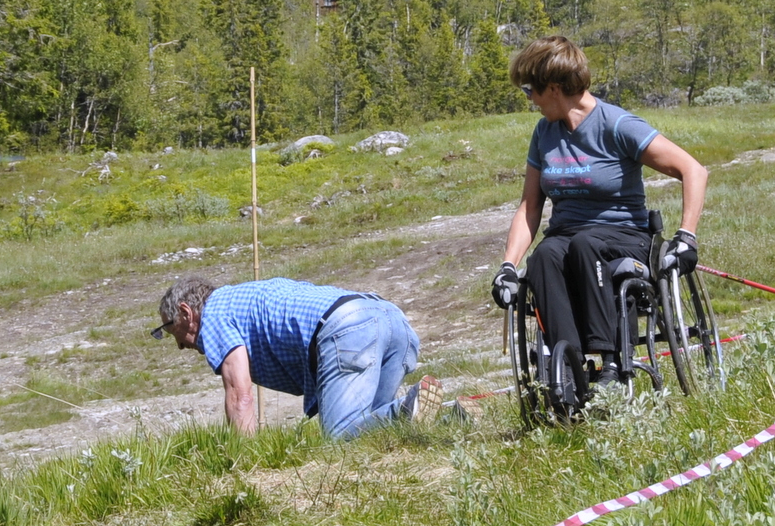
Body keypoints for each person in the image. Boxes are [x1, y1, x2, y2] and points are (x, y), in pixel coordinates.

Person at [490, 35, 706, 402]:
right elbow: (530, 206)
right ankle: (568, 370)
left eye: (531, 91)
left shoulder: (617, 124)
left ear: (554, 89)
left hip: (624, 233)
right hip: (567, 233)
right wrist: (508, 265)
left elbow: (693, 170)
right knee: (544, 256)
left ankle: (611, 365)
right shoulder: (544, 133)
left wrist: (687, 236)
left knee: (585, 244)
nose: (530, 100)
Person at [153, 275, 441, 438]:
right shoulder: (241, 298)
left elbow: (240, 396)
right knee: (371, 435)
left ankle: (407, 408)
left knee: (340, 435)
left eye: (170, 328)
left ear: (186, 312)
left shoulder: (214, 314)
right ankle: (456, 412)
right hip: (391, 318)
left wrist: (244, 464)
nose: (178, 344)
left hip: (349, 329)